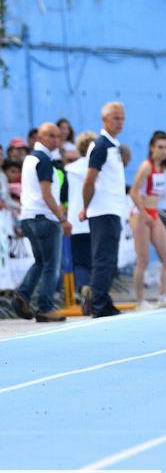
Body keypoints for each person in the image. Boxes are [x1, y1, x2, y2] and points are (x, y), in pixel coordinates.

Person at [12, 122, 70, 323]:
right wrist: (62, 219)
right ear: (39, 137)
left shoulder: (29, 159)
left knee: (40, 262)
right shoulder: (45, 160)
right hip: (45, 219)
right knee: (51, 266)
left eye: (57, 136)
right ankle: (45, 307)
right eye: (51, 136)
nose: (56, 140)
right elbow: (47, 194)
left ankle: (23, 295)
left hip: (28, 217)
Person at [80, 102, 129, 318]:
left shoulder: (113, 146)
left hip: (113, 210)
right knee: (103, 258)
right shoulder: (100, 146)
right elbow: (89, 180)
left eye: (122, 118)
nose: (119, 122)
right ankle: (98, 304)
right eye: (115, 117)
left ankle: (103, 299)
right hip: (103, 211)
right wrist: (85, 206)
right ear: (105, 120)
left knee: (110, 259)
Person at [128, 131, 166, 309]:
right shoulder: (146, 167)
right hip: (140, 214)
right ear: (151, 148)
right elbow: (133, 192)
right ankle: (140, 300)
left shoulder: (164, 168)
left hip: (154, 213)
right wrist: (143, 213)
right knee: (143, 260)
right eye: (160, 147)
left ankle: (163, 296)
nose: (163, 151)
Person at [66, 131, 97, 310]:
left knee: (80, 262)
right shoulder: (96, 168)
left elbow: (64, 195)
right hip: (94, 219)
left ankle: (83, 287)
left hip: (75, 222)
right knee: (95, 261)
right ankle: (93, 293)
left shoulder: (70, 169)